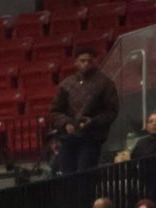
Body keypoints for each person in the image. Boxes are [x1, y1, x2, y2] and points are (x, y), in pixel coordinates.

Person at [50, 46, 119, 175]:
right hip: (69, 137)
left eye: (89, 61)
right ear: (76, 62)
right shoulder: (66, 84)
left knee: (86, 177)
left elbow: (112, 111)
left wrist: (93, 121)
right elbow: (55, 111)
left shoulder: (105, 83)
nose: (86, 64)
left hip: (91, 138)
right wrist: (66, 123)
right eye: (82, 60)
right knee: (67, 178)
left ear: (95, 62)